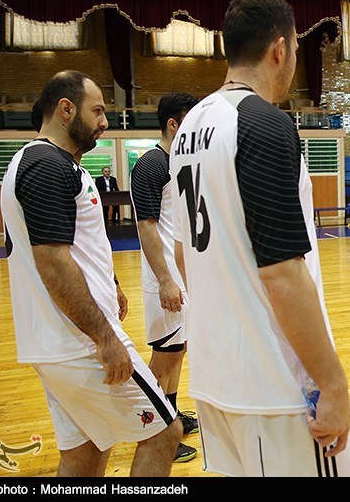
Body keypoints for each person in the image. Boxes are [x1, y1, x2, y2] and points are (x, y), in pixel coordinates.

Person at [170, 0, 350, 476]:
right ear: (280, 49)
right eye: (296, 49)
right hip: (274, 387)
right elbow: (282, 273)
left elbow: (183, 251)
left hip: (214, 378)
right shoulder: (264, 124)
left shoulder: (189, 127)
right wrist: (332, 383)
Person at [0, 70, 182, 477]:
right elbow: (52, 261)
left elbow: (78, 248)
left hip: (60, 343)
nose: (104, 121)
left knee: (86, 455)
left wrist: (112, 282)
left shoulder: (53, 164)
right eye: (97, 110)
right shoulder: (46, 165)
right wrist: (104, 339)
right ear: (66, 109)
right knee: (165, 432)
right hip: (81, 344)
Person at [130, 92, 201, 464]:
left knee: (178, 351)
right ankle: (157, 434)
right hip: (164, 279)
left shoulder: (180, 162)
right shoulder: (151, 165)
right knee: (165, 355)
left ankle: (170, 414)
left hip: (181, 277)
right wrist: (164, 280)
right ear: (173, 124)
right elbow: (146, 226)